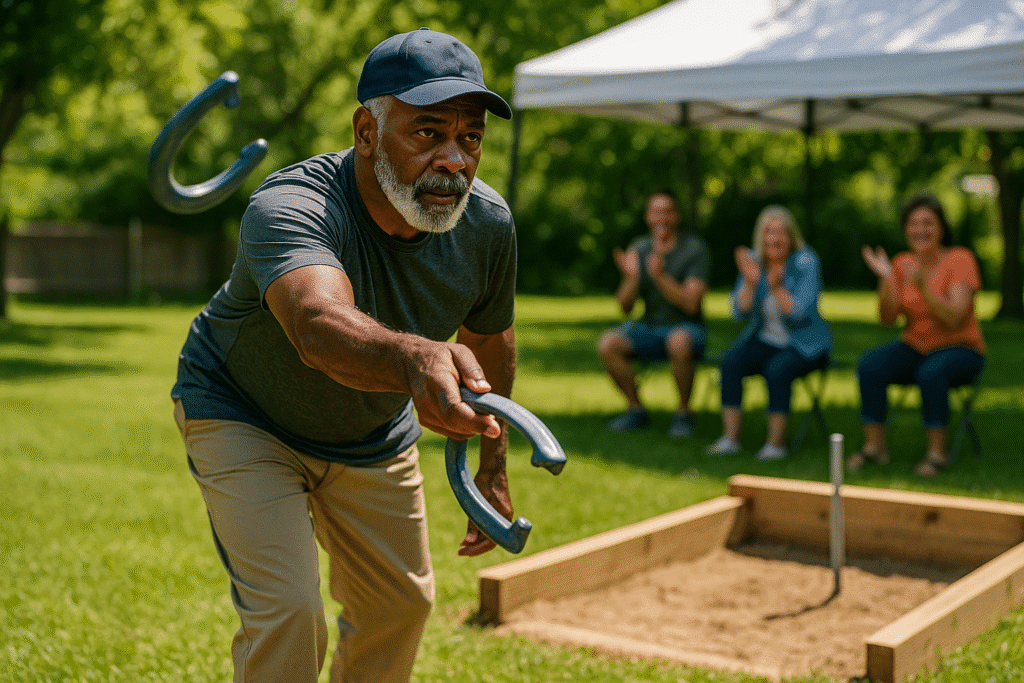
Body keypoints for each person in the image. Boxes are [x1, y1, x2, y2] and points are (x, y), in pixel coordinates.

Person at [170, 29, 518, 683]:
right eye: (427, 133)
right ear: (366, 131)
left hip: (373, 432)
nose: (455, 160)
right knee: (291, 614)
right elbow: (316, 324)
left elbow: (489, 335)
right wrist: (417, 356)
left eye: (469, 137)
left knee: (400, 605)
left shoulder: (488, 225)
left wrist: (493, 459)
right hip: (246, 413)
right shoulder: (292, 206)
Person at [848, 193, 986, 477]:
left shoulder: (960, 259)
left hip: (962, 349)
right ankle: (875, 447)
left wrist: (924, 289)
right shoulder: (901, 263)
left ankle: (937, 455)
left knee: (930, 372)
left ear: (941, 228)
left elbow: (954, 316)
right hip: (916, 346)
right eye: (913, 223)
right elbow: (887, 319)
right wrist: (886, 278)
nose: (920, 230)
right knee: (870, 365)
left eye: (928, 223)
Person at [705, 205, 832, 461]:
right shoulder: (755, 262)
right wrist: (751, 283)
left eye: (781, 232)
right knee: (731, 362)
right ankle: (730, 439)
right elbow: (738, 312)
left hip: (806, 345)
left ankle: (775, 445)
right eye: (768, 232)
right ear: (760, 236)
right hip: (766, 339)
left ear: (791, 236)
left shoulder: (806, 261)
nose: (774, 238)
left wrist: (776, 286)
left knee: (778, 369)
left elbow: (799, 314)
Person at [596, 189, 711, 438]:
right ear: (648, 217)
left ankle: (683, 414)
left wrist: (659, 276)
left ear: (677, 216)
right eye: (656, 212)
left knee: (678, 341)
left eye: (667, 212)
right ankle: (636, 409)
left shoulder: (694, 249)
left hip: (688, 328)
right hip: (649, 327)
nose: (662, 218)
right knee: (608, 344)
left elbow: (691, 305)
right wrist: (631, 277)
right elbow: (625, 307)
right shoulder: (639, 247)